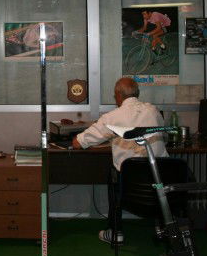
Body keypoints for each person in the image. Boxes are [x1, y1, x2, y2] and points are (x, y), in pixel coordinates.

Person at [72, 77, 167, 245]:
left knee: (115, 172)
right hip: (158, 177)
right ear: (138, 93)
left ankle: (116, 232)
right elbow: (163, 136)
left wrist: (75, 139)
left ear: (118, 95)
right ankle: (162, 226)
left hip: (129, 182)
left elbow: (79, 142)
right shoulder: (154, 111)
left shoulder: (112, 117)